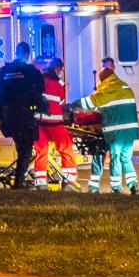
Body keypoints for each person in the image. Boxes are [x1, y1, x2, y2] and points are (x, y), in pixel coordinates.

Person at [77, 68, 139, 195]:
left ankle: (116, 188)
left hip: (116, 132)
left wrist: (72, 105)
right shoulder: (125, 86)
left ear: (103, 79)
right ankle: (134, 186)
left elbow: (90, 102)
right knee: (126, 158)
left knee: (115, 158)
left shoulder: (108, 88)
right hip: (130, 131)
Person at [0, 42, 45, 189]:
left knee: (20, 146)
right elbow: (40, 89)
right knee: (26, 149)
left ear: (16, 52)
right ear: (27, 54)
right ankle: (18, 182)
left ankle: (19, 181)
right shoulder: (30, 70)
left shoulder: (4, 71)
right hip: (24, 114)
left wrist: (5, 106)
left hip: (9, 114)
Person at [33, 58, 78, 191]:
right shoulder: (58, 83)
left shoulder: (38, 79)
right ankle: (69, 182)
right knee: (67, 149)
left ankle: (41, 183)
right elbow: (61, 102)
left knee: (41, 151)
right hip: (54, 123)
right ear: (58, 68)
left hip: (38, 123)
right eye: (61, 70)